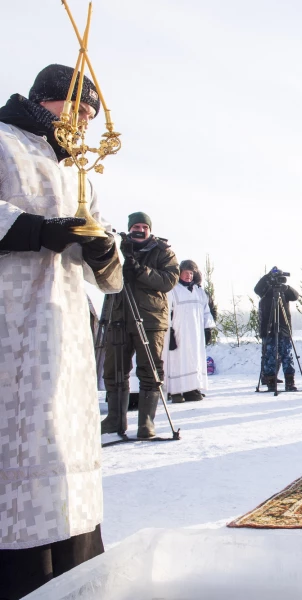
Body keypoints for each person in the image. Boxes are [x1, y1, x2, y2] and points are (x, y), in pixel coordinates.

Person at [0, 64, 122, 599]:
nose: (83, 122)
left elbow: (112, 278)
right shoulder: (3, 140)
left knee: (67, 440)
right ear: (45, 100)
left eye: (91, 116)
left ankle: (76, 573)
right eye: (76, 109)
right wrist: (38, 230)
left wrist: (105, 251)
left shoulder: (78, 169)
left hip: (67, 330)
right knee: (22, 443)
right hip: (12, 325)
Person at [100, 212, 178, 438]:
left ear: (149, 229)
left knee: (150, 370)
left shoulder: (163, 252)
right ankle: (115, 419)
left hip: (151, 319)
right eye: (136, 226)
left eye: (144, 226)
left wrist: (139, 269)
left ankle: (146, 423)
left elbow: (167, 281)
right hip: (119, 315)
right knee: (114, 369)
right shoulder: (118, 248)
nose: (140, 230)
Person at [165, 260, 216, 403]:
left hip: (196, 333)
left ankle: (193, 388)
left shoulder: (199, 292)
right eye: (186, 272)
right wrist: (168, 332)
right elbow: (166, 312)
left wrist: (207, 329)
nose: (188, 276)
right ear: (179, 273)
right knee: (177, 360)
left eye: (191, 273)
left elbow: (207, 312)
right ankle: (175, 391)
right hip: (179, 332)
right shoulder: (173, 290)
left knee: (195, 360)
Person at [254, 267, 300, 392]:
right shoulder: (265, 290)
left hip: (284, 327)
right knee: (270, 356)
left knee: (287, 355)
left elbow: (296, 296)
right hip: (269, 328)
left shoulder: (284, 291)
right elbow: (257, 289)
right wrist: (268, 276)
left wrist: (287, 288)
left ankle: (290, 382)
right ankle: (270, 382)